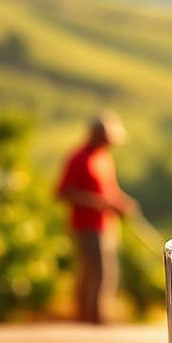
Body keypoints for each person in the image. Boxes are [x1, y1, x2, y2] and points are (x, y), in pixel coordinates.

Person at [57, 112, 138, 324]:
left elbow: (110, 190)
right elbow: (64, 192)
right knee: (97, 271)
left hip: (106, 225)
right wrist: (101, 203)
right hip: (86, 225)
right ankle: (92, 318)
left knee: (104, 271)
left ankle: (96, 316)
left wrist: (123, 202)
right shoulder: (79, 158)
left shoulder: (103, 157)